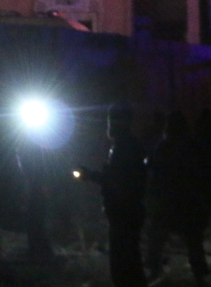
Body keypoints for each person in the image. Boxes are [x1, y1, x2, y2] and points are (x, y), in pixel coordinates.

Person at [76, 104, 147, 287]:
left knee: (124, 264)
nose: (109, 124)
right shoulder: (126, 145)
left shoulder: (124, 148)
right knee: (129, 261)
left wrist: (90, 176)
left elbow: (117, 181)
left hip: (124, 212)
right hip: (126, 211)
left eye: (111, 120)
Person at [145, 110, 208, 283]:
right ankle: (199, 273)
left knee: (158, 237)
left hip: (172, 201)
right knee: (192, 241)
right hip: (186, 201)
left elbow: (156, 173)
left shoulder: (167, 146)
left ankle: (155, 269)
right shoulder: (191, 146)